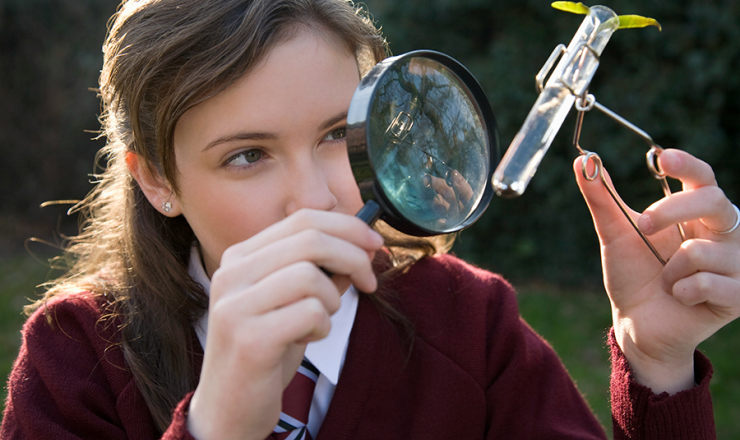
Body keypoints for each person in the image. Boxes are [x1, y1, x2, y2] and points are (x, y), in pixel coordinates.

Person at [2, 0, 739, 439]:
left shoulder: (468, 322)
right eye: (247, 156)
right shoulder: (77, 358)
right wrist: (219, 422)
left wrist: (657, 361)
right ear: (159, 180)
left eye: (335, 134)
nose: (316, 198)